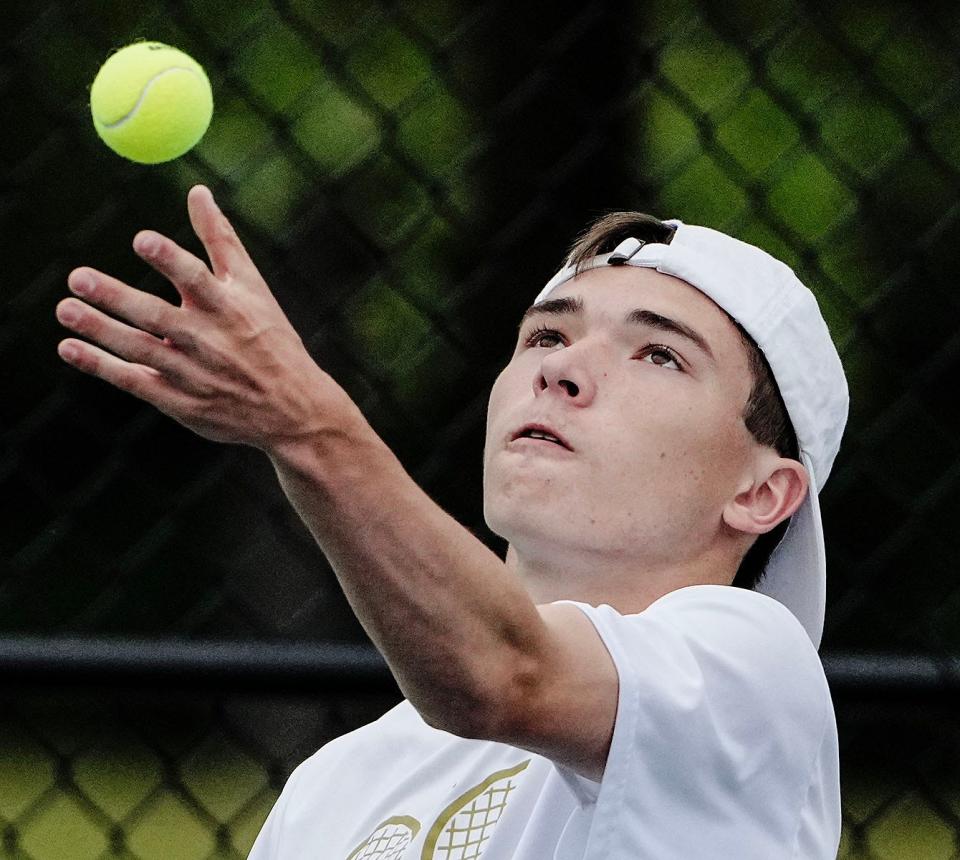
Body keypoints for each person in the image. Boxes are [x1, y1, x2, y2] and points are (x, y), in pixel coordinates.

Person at [56, 186, 849, 859]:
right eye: (547, 334)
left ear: (762, 494)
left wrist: (304, 425)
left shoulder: (752, 677)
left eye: (659, 355)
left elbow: (505, 675)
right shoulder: (338, 782)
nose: (562, 368)